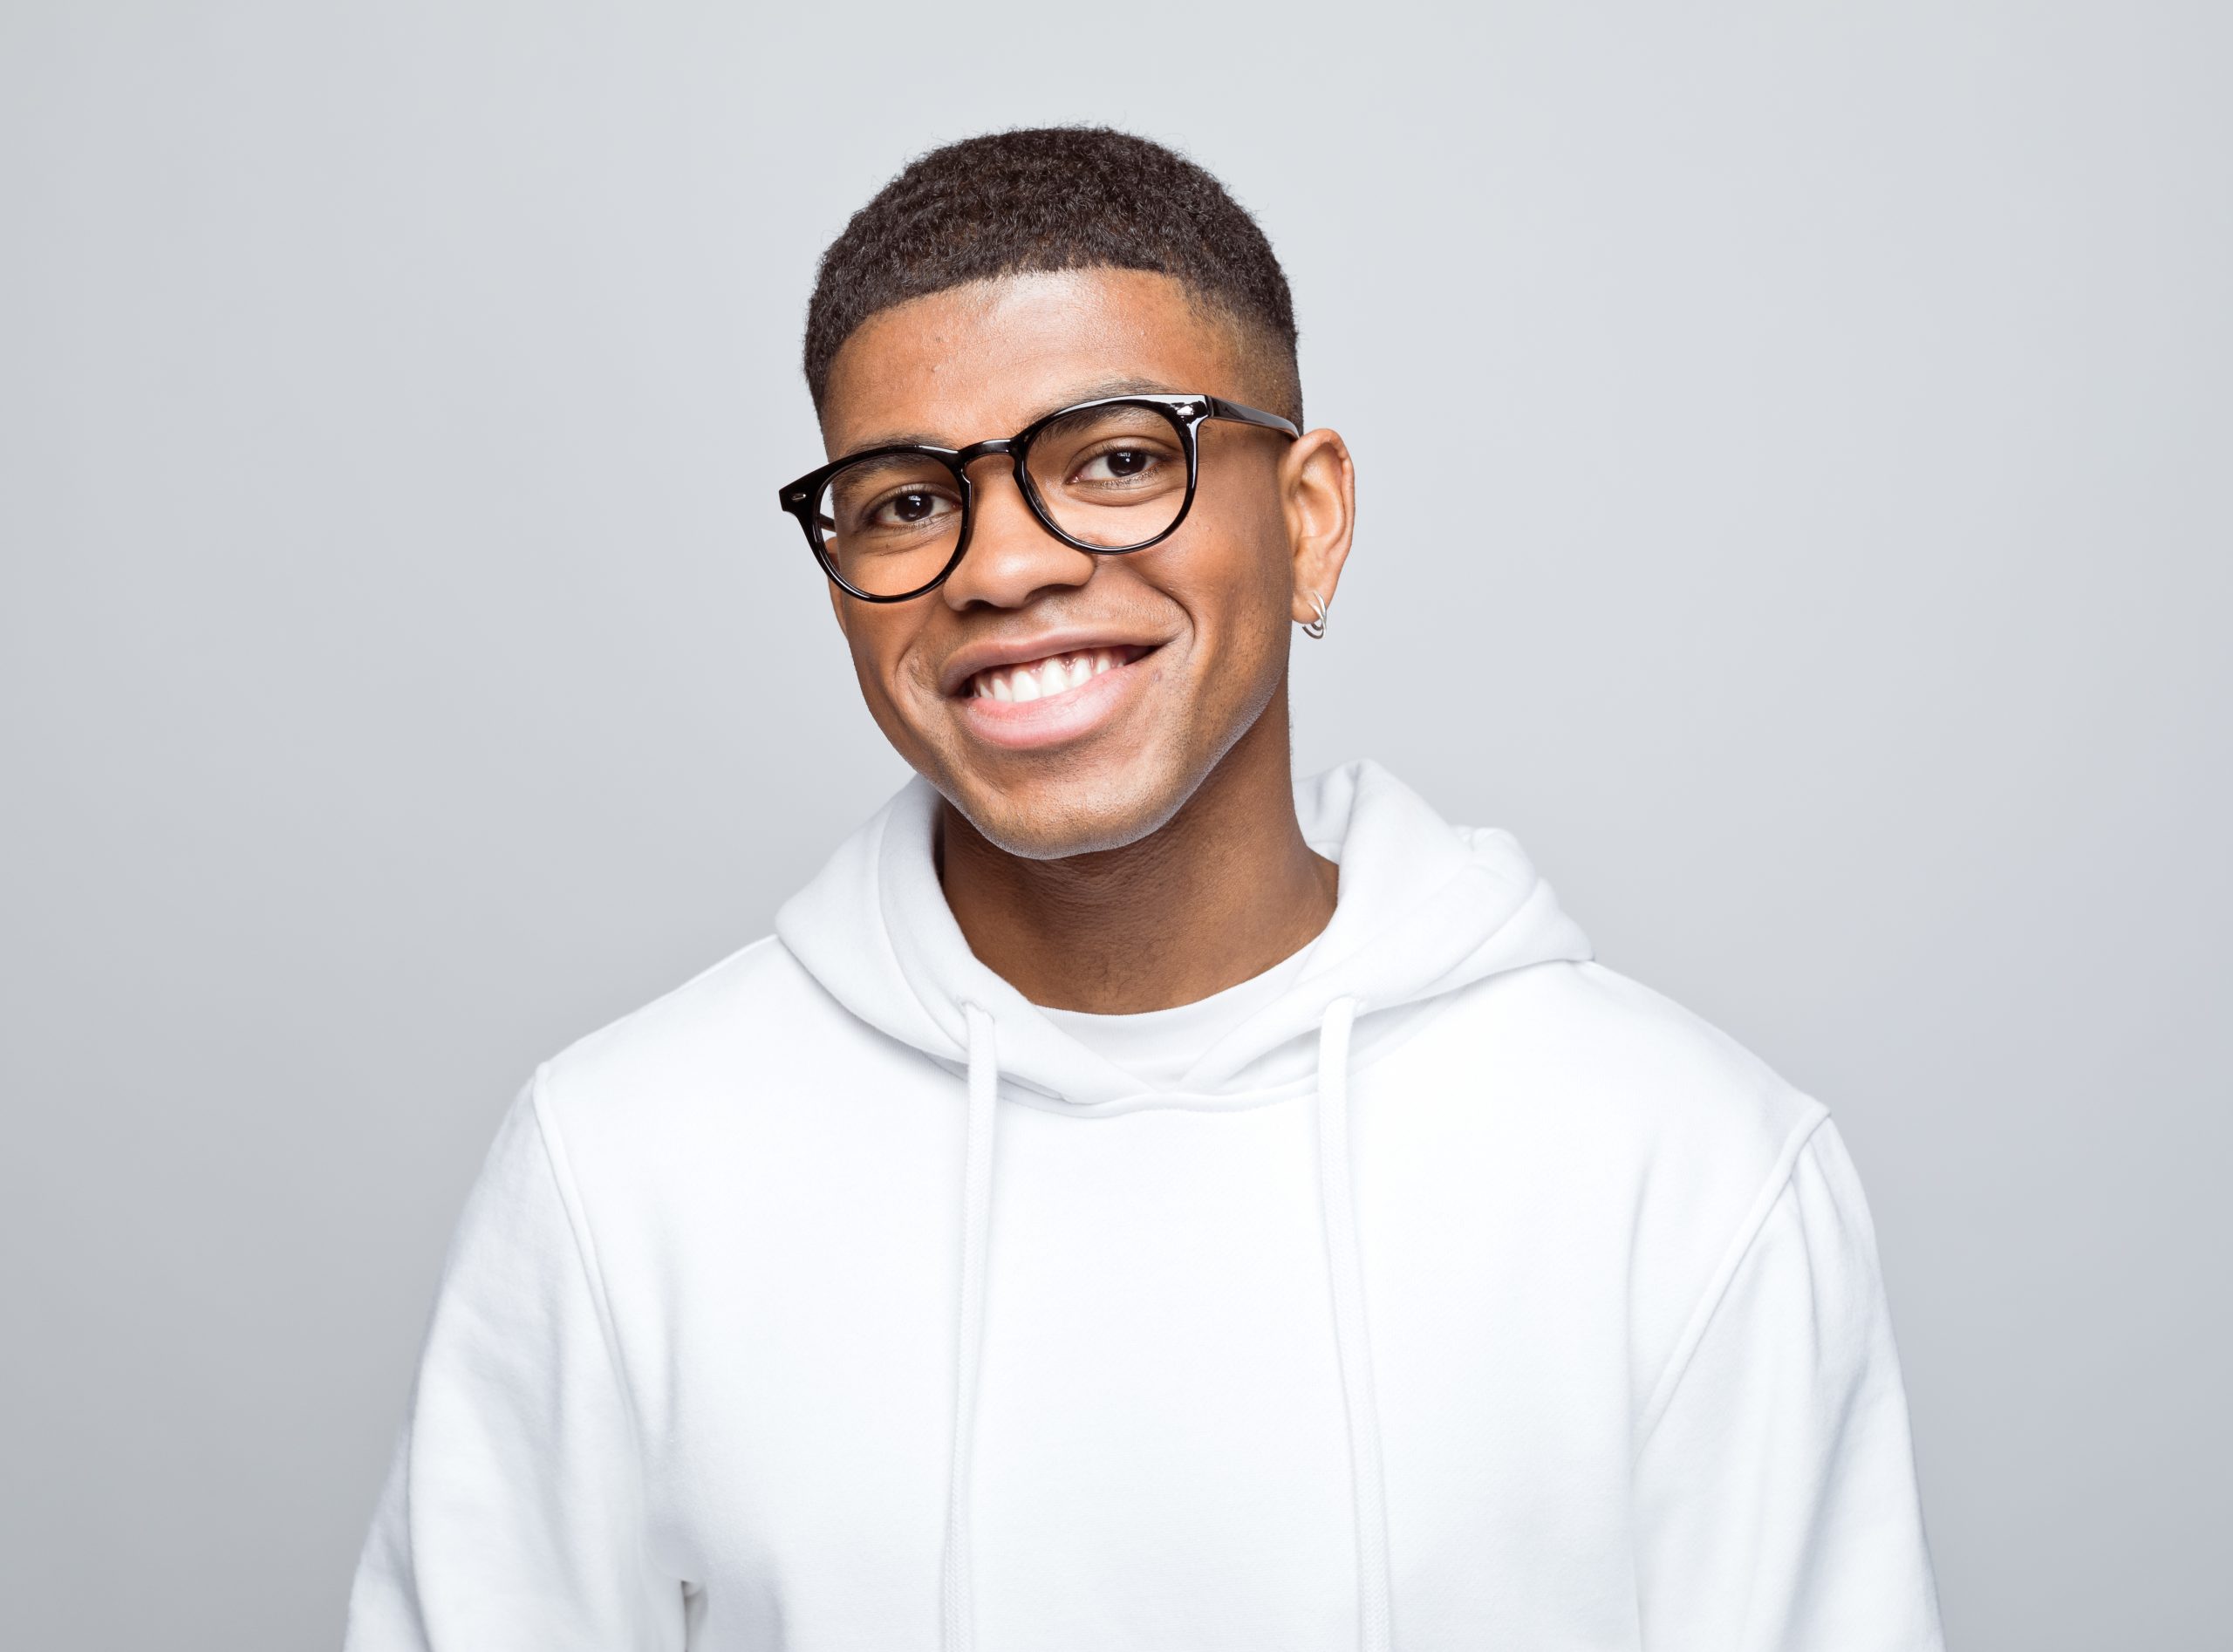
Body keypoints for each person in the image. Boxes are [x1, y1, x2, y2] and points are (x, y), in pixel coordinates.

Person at [344, 126, 1945, 1651]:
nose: (1002, 565)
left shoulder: (1684, 1166)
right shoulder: (621, 1166)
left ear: (1308, 522)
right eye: (907, 498)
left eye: (1114, 461)